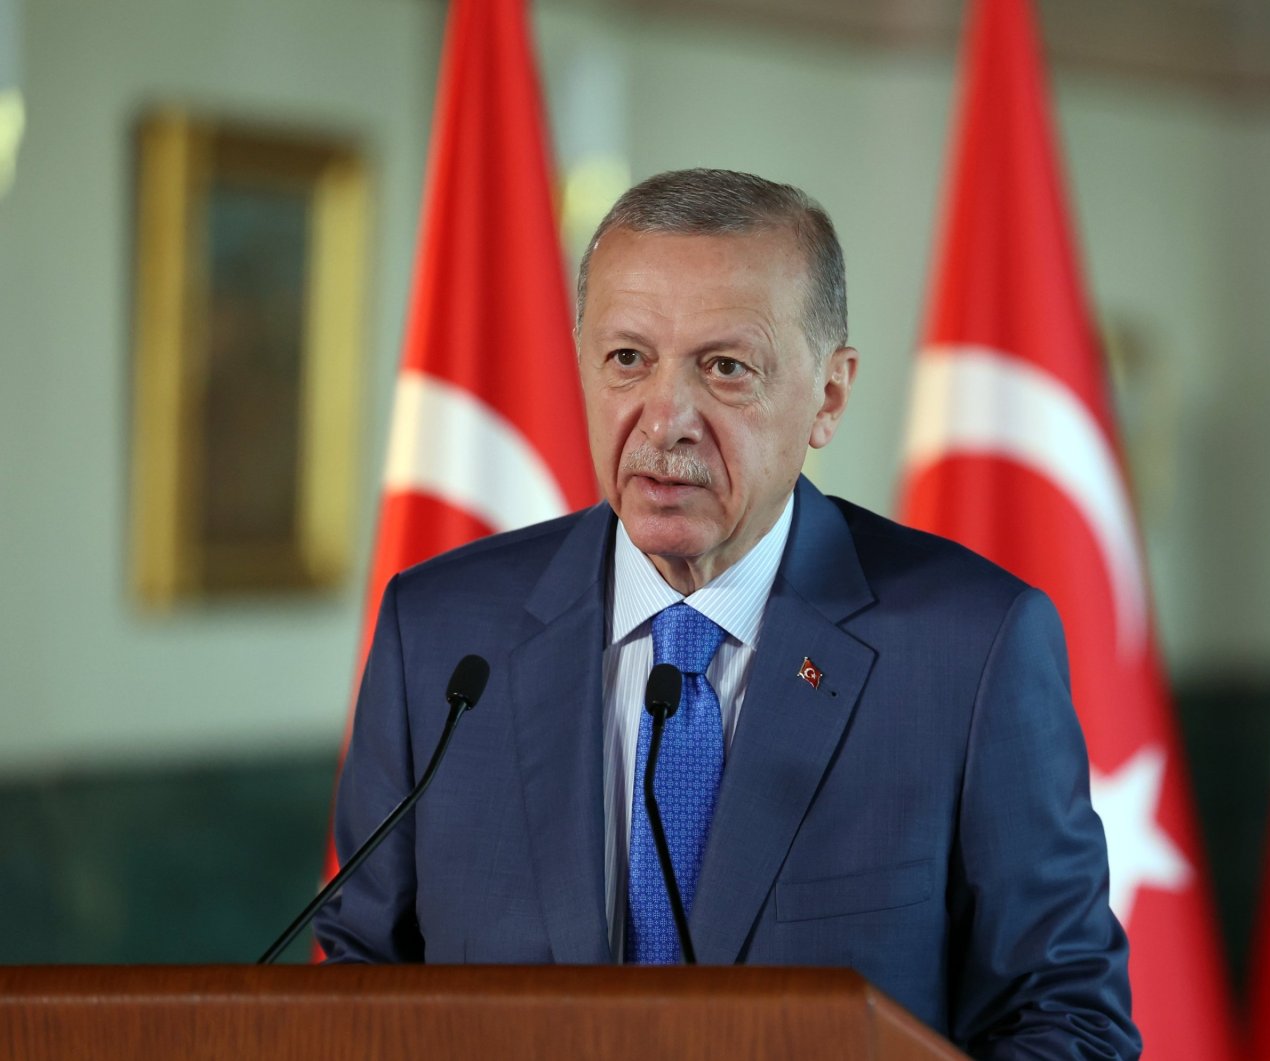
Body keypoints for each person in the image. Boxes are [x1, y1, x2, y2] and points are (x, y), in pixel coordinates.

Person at [316, 168, 1139, 1058]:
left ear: (828, 394)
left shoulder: (972, 648)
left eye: (725, 368)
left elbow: (1069, 1020)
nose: (666, 418)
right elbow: (364, 981)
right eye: (628, 358)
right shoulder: (440, 634)